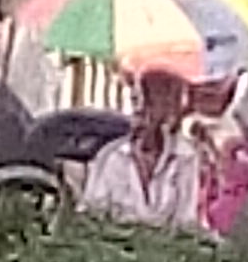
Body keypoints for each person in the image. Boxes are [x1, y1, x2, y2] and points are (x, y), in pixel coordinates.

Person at [80, 69, 209, 228]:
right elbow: (91, 216)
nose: (140, 109)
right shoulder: (111, 156)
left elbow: (186, 221)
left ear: (168, 109)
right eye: (136, 100)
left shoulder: (185, 158)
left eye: (150, 102)